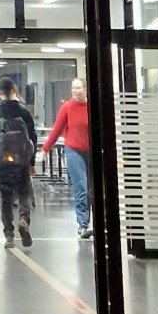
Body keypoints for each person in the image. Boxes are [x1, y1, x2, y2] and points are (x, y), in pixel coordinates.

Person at [0, 76, 38, 249]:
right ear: (13, 90)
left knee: (6, 198)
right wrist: (31, 161)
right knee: (23, 193)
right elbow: (33, 137)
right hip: (22, 160)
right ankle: (24, 220)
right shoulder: (23, 111)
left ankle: (9, 236)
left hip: (2, 161)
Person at [43, 77, 93, 238]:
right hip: (73, 151)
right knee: (81, 187)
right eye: (73, 88)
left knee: (92, 189)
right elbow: (57, 130)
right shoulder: (67, 107)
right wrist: (45, 149)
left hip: (91, 151)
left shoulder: (92, 107)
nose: (75, 91)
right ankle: (83, 224)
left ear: (85, 89)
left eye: (78, 88)